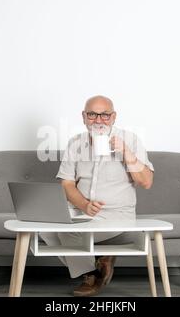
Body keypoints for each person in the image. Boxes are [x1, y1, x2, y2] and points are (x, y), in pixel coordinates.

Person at [40, 95, 154, 296]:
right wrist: (84, 205)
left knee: (67, 232)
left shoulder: (131, 140)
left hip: (116, 214)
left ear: (114, 117)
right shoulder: (76, 143)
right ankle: (99, 265)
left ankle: (91, 277)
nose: (99, 120)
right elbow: (66, 183)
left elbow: (146, 181)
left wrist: (126, 152)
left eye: (105, 115)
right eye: (92, 114)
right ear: (84, 117)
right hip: (81, 212)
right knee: (44, 229)